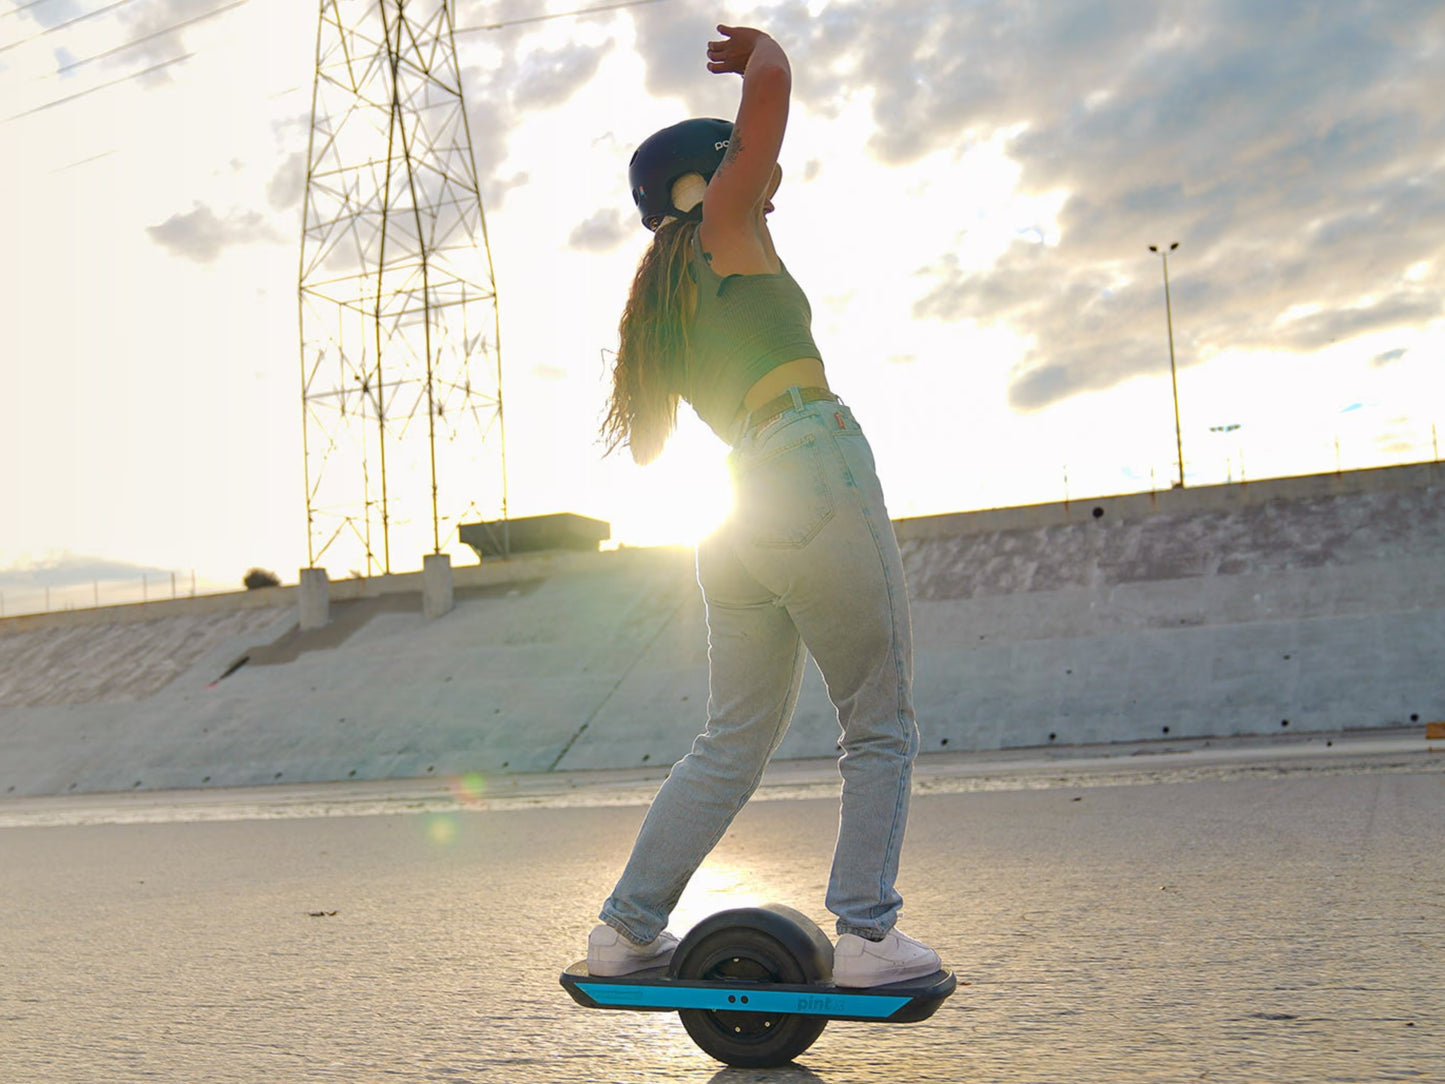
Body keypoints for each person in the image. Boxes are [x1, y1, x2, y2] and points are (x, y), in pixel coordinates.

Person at [588, 24, 940, 989]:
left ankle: (625, 929)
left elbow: (652, 443)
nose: (766, 196)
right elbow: (771, 97)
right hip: (808, 464)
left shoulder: (666, 301)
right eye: (749, 180)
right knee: (878, 722)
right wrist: (763, 50)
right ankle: (866, 934)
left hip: (738, 510)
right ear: (705, 184)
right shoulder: (724, 229)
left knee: (730, 741)